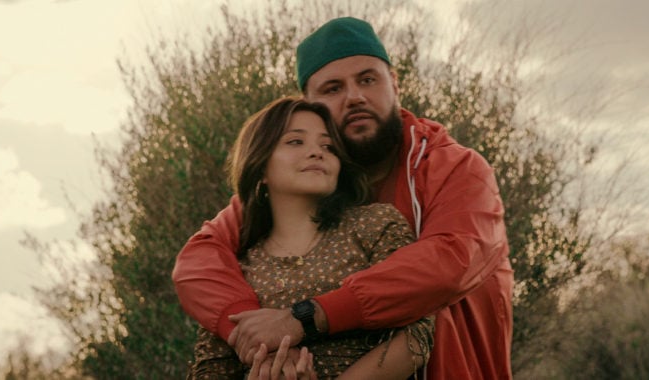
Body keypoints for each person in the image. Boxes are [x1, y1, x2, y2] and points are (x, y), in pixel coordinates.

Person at [174, 17, 514, 379]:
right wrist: (254, 339)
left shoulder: (456, 168)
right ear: (310, 105)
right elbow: (199, 260)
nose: (354, 97)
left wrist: (304, 318)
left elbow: (450, 261)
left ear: (394, 83)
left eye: (368, 79)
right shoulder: (300, 188)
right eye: (333, 88)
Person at [186, 97, 434, 379]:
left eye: (328, 146)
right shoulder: (236, 268)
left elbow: (417, 334)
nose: (317, 153)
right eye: (296, 141)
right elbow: (209, 369)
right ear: (260, 164)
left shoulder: (374, 225)